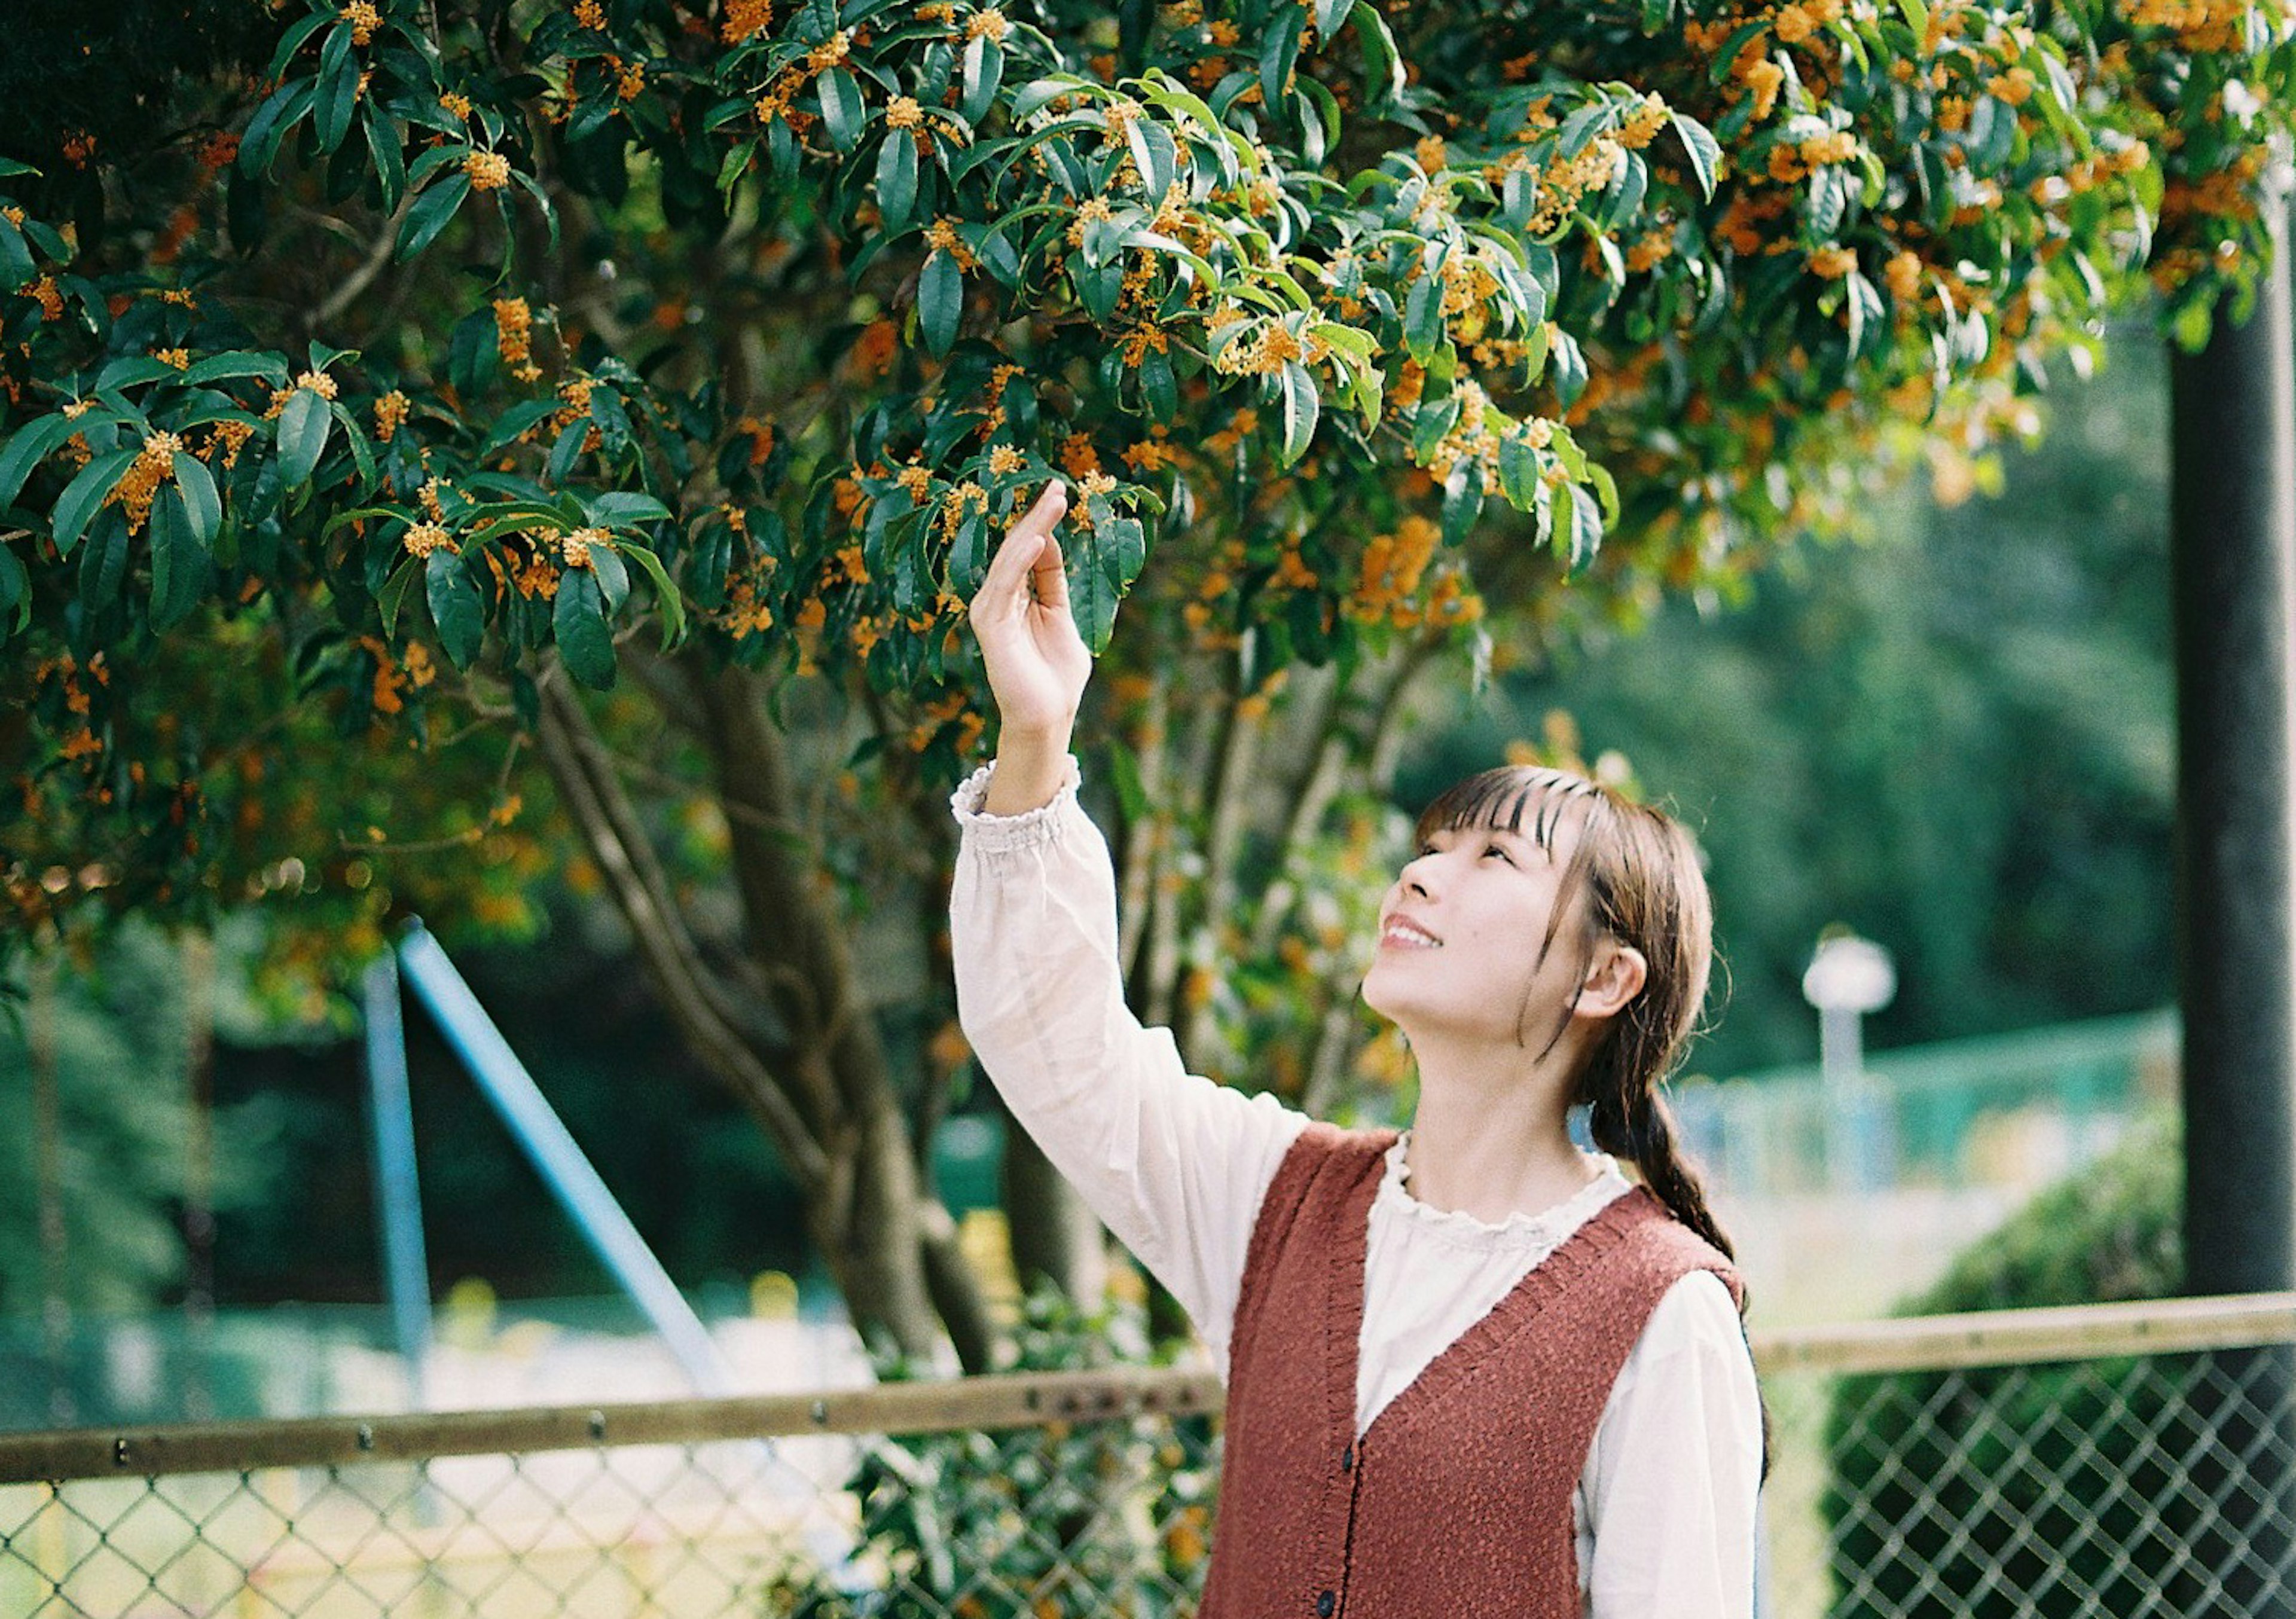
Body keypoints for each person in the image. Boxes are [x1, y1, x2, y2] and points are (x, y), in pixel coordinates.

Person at [949, 479, 1766, 1618]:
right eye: (1432, 847)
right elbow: (1054, 1044)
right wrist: (1037, 734)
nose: (1421, 873)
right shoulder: (1275, 1202)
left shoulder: (1661, 1312)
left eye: (1495, 861)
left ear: (1604, 977)